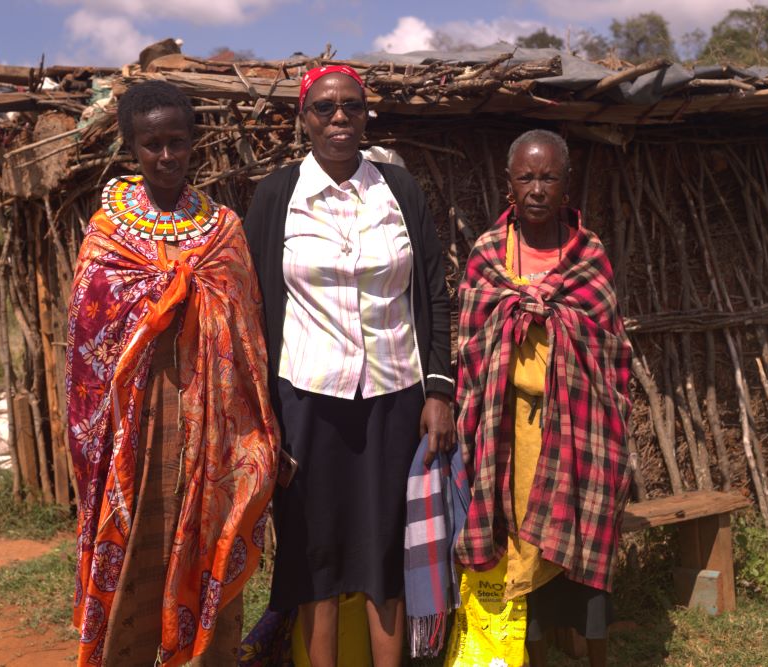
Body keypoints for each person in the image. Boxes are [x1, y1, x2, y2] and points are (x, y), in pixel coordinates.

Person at [242, 65, 454, 667]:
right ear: (302, 118)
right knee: (315, 550)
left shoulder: (398, 190)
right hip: (305, 399)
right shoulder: (278, 195)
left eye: (352, 108)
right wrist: (261, 411)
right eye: (325, 109)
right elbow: (253, 303)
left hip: (395, 395)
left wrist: (438, 391)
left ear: (366, 115)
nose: (340, 119)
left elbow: (435, 292)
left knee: (386, 544)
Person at [66, 80, 278, 667]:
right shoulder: (109, 231)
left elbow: (247, 330)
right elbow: (89, 330)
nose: (165, 156)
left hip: (212, 415)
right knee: (138, 540)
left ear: (194, 144)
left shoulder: (222, 228)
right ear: (131, 148)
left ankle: (207, 654)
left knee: (212, 533)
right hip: (139, 415)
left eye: (177, 143)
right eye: (151, 144)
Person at [454, 129, 633, 667]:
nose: (537, 188)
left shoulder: (588, 254)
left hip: (582, 427)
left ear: (566, 184)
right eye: (526, 177)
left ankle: (594, 653)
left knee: (582, 537)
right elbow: (469, 341)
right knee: (520, 543)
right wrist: (517, 311)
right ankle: (527, 653)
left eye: (548, 176)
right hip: (511, 430)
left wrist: (552, 316)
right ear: (508, 184)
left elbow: (609, 344)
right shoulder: (489, 254)